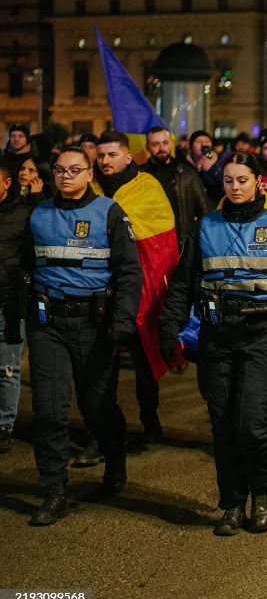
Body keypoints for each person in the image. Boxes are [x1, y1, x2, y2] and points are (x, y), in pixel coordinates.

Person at [159, 151, 267, 536]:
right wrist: (169, 328)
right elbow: (182, 283)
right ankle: (231, 503)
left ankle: (262, 494)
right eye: (228, 180)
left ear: (258, 181)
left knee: (253, 426)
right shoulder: (204, 227)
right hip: (217, 338)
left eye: (242, 180)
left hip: (262, 338)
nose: (235, 187)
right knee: (224, 427)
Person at [17, 145, 142, 526]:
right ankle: (55, 489)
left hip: (95, 325)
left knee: (96, 408)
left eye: (75, 170)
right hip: (48, 325)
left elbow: (129, 271)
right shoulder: (38, 213)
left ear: (90, 174)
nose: (66, 176)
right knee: (50, 410)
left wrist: (123, 320)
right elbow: (24, 267)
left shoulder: (109, 213)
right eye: (59, 170)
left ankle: (114, 459)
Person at [94, 130, 179, 442]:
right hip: (99, 288)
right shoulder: (90, 187)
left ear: (128, 156)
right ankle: (102, 430)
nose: (105, 161)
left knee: (144, 362)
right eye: (100, 156)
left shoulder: (147, 187)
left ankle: (149, 416)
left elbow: (161, 241)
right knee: (101, 365)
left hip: (138, 286)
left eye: (111, 155)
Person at [0, 164, 31, 454]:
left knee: (6, 368)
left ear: (7, 183)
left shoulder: (23, 215)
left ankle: (4, 426)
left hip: (8, 302)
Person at [142, 126, 212, 251]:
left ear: (171, 144)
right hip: (151, 245)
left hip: (182, 244)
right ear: (147, 147)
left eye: (165, 143)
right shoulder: (139, 175)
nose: (161, 148)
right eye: (155, 144)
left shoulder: (187, 174)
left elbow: (204, 210)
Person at [184, 130, 223, 203]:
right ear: (191, 145)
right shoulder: (183, 164)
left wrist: (212, 169)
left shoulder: (219, 163)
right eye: (199, 142)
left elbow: (223, 185)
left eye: (207, 141)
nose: (204, 144)